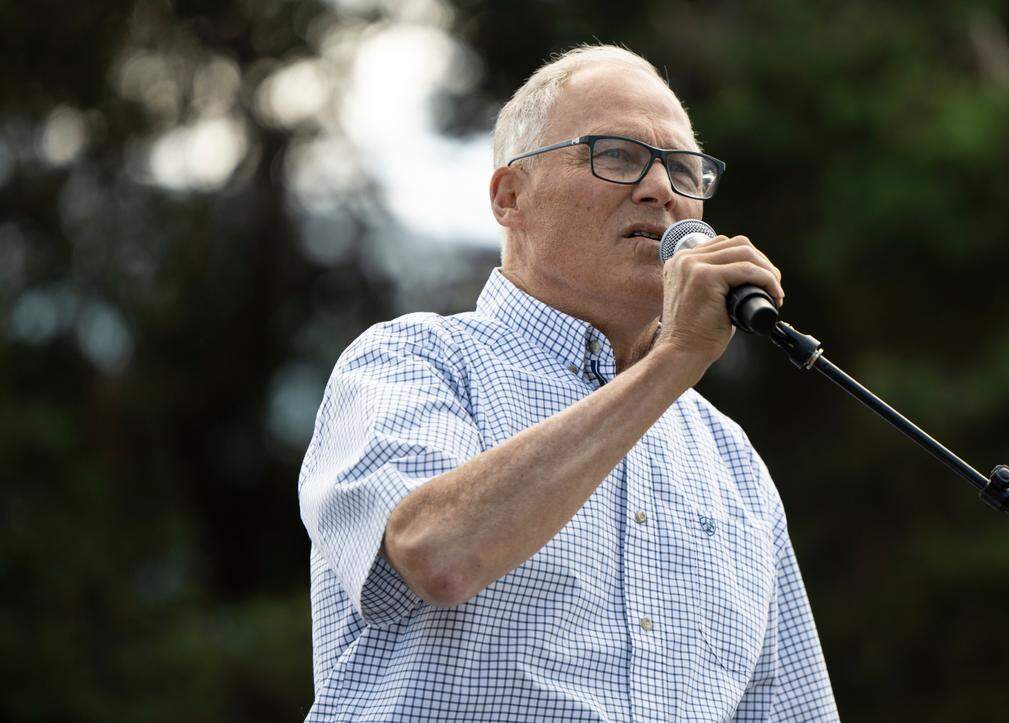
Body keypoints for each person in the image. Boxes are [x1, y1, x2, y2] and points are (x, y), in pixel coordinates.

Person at [298, 44, 838, 721]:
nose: (661, 189)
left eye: (684, 169)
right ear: (510, 195)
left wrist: (670, 366)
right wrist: (673, 362)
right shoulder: (411, 361)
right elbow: (437, 553)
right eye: (616, 155)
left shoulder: (731, 460)